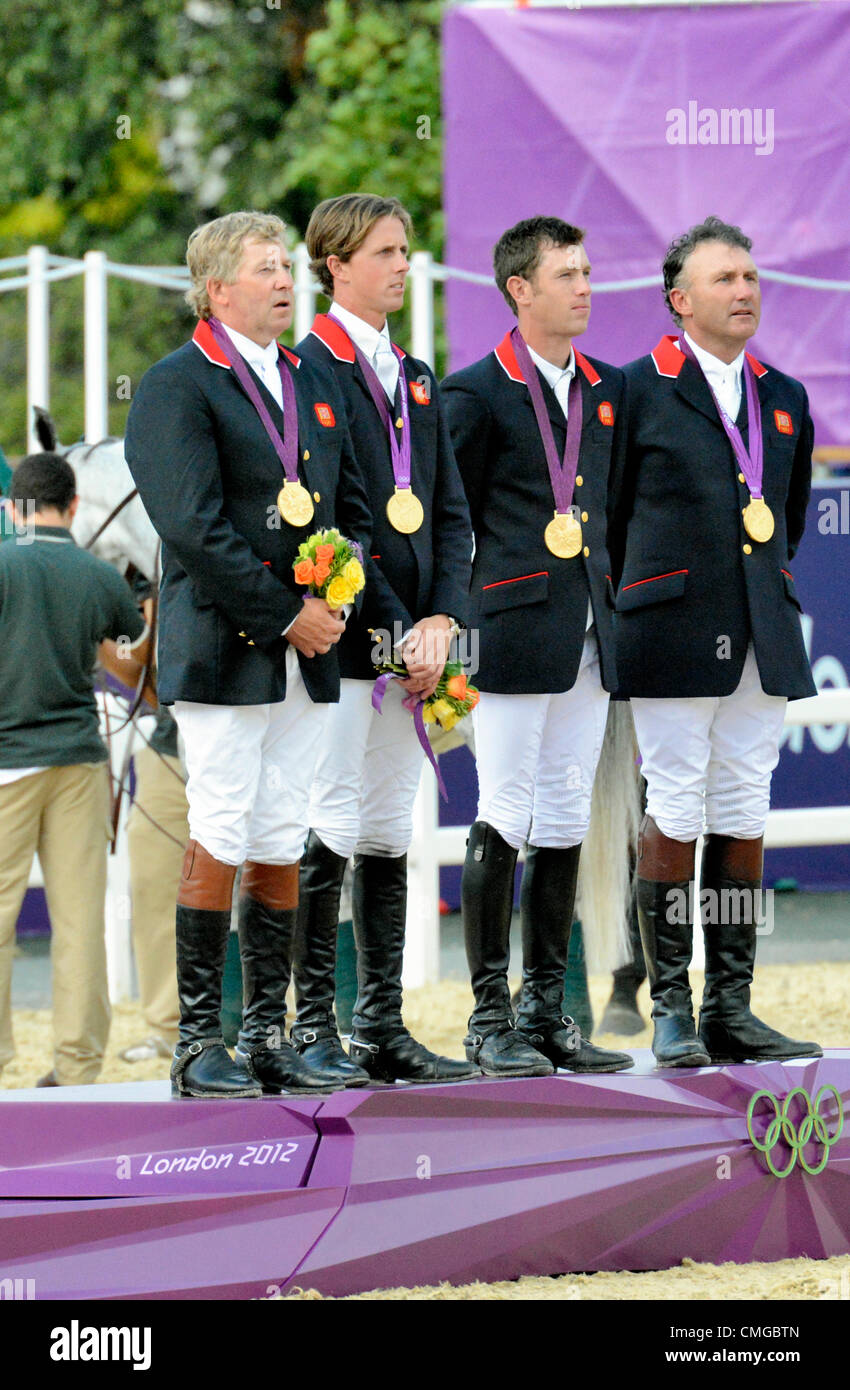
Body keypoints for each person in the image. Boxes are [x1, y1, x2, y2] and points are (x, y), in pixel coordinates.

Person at [124, 210, 372, 1098]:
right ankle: (200, 1040)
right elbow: (191, 527)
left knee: (280, 829)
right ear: (217, 286)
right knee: (224, 823)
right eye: (267, 268)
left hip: (307, 642)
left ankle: (268, 1031)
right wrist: (284, 614)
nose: (284, 280)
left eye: (286, 268)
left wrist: (336, 593)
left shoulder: (309, 377)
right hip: (228, 643)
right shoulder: (175, 384)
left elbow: (345, 501)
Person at [609, 215, 822, 1067]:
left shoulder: (787, 397)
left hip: (760, 627)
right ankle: (670, 1006)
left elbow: (790, 519)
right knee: (676, 805)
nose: (745, 291)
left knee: (742, 810)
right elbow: (610, 516)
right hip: (670, 626)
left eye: (751, 276)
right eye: (725, 279)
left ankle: (732, 1002)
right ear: (680, 300)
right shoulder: (633, 389)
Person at [442, 216, 633, 1077]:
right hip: (512, 627)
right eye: (567, 273)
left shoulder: (603, 387)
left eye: (588, 270)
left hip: (591, 629)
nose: (585, 286)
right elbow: (452, 523)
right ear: (520, 290)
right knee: (504, 811)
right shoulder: (475, 394)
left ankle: (548, 1011)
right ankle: (488, 1017)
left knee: (562, 818)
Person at [292, 193, 476, 1086]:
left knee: (387, 827)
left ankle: (380, 1024)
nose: (404, 265)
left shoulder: (417, 373)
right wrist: (399, 626)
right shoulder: (306, 366)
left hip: (420, 641)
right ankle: (310, 1025)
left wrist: (442, 616)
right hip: (351, 635)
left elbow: (445, 507)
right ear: (336, 262)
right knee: (328, 815)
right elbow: (336, 520)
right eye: (387, 252)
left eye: (407, 250)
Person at [0, 451, 148, 1086]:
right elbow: (127, 646)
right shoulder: (97, 574)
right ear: (75, 506)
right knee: (82, 920)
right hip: (81, 761)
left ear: (14, 508)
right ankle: (78, 1065)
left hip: (6, 761)